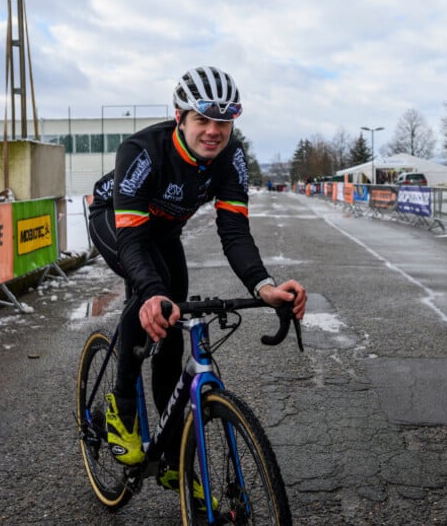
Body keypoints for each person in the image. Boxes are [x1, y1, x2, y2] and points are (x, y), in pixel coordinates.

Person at [87, 66, 307, 495]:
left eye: (222, 122)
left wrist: (264, 287)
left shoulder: (231, 158)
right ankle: (121, 408)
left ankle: (172, 451)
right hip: (118, 223)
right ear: (179, 117)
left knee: (172, 330)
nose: (213, 131)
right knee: (153, 295)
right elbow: (133, 242)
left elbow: (235, 233)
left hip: (164, 232)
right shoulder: (143, 151)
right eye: (202, 119)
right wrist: (151, 292)